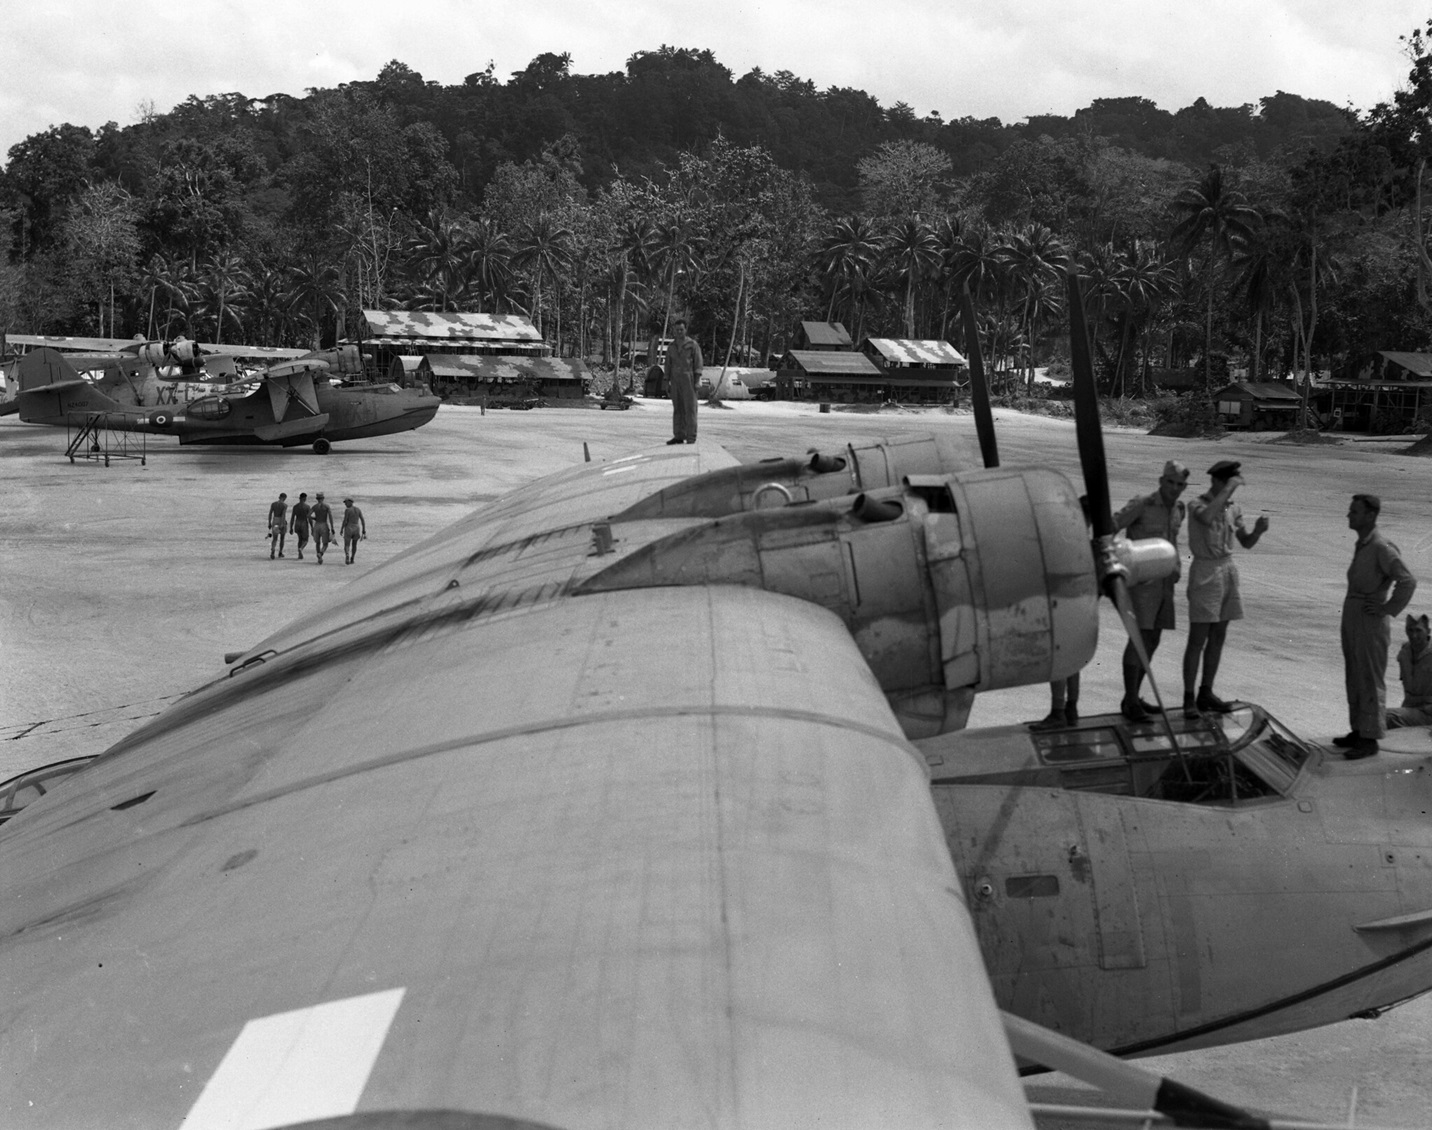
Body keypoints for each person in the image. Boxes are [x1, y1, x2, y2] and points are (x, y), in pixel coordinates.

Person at [1181, 461, 1269, 716]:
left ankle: (1205, 691)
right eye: (1230, 484)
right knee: (1197, 638)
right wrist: (1228, 489)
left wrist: (1258, 532)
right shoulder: (1197, 504)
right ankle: (1188, 697)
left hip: (1227, 570)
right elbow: (1207, 517)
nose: (1233, 491)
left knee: (1218, 635)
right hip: (1205, 571)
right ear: (1218, 481)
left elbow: (1246, 542)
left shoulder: (1233, 508)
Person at [1336, 493, 1417, 758]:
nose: (1349, 515)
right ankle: (1359, 730)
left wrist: (1387, 608)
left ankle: (1370, 738)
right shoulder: (1364, 544)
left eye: (1354, 511)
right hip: (1354, 614)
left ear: (1370, 516)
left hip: (1369, 620)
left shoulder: (1381, 547)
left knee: (1369, 677)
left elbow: (1407, 581)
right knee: (1354, 674)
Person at [1113, 460, 1190, 721]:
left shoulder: (1178, 509)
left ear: (1184, 487)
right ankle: (1131, 702)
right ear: (1161, 481)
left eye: (1179, 484)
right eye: (1170, 482)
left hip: (1165, 583)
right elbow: (1113, 525)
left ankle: (1132, 698)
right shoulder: (1142, 504)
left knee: (1153, 639)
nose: (1174, 488)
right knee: (1139, 639)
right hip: (1143, 585)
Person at [1387, 614, 1432, 729]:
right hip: (1410, 708)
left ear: (1428, 631)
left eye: (1418, 630)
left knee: (1386, 716)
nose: (1413, 635)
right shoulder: (1405, 652)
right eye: (1410, 630)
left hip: (1428, 711)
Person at [664, 318, 703, 445]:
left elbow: (698, 363)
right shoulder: (671, 347)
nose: (679, 332)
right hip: (675, 380)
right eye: (677, 330)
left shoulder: (692, 345)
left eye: (681, 329)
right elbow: (667, 365)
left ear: (685, 330)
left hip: (689, 380)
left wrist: (697, 380)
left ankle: (691, 437)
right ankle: (679, 435)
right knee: (678, 408)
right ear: (674, 331)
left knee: (690, 409)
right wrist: (666, 381)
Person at [309, 492, 334, 565]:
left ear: (317, 499)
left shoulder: (315, 506)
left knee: (317, 543)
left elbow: (308, 515)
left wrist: (314, 518)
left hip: (317, 525)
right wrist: (332, 527)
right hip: (324, 524)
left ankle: (319, 559)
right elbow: (330, 517)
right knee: (325, 543)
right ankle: (321, 553)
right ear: (323, 498)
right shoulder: (326, 506)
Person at [340, 497, 367, 565]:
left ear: (350, 502)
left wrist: (342, 529)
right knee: (354, 544)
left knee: (347, 544)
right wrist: (364, 530)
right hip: (356, 528)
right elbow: (362, 520)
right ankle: (352, 559)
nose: (345, 504)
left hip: (349, 528)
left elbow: (345, 520)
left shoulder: (347, 510)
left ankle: (347, 554)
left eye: (346, 502)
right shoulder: (358, 509)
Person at [289, 492, 312, 560]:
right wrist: (312, 527)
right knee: (306, 540)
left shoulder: (295, 507)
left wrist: (291, 528)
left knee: (300, 539)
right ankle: (301, 548)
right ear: (305, 499)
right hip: (304, 523)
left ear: (299, 498)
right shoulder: (307, 507)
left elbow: (292, 518)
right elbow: (309, 518)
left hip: (297, 523)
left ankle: (299, 555)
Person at [267, 493, 288, 559]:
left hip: (275, 520)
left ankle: (273, 550)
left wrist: (269, 523)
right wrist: (282, 523)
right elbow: (283, 515)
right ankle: (280, 552)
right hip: (281, 520)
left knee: (275, 538)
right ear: (284, 498)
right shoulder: (284, 505)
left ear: (279, 497)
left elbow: (270, 514)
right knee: (282, 538)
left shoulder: (273, 504)